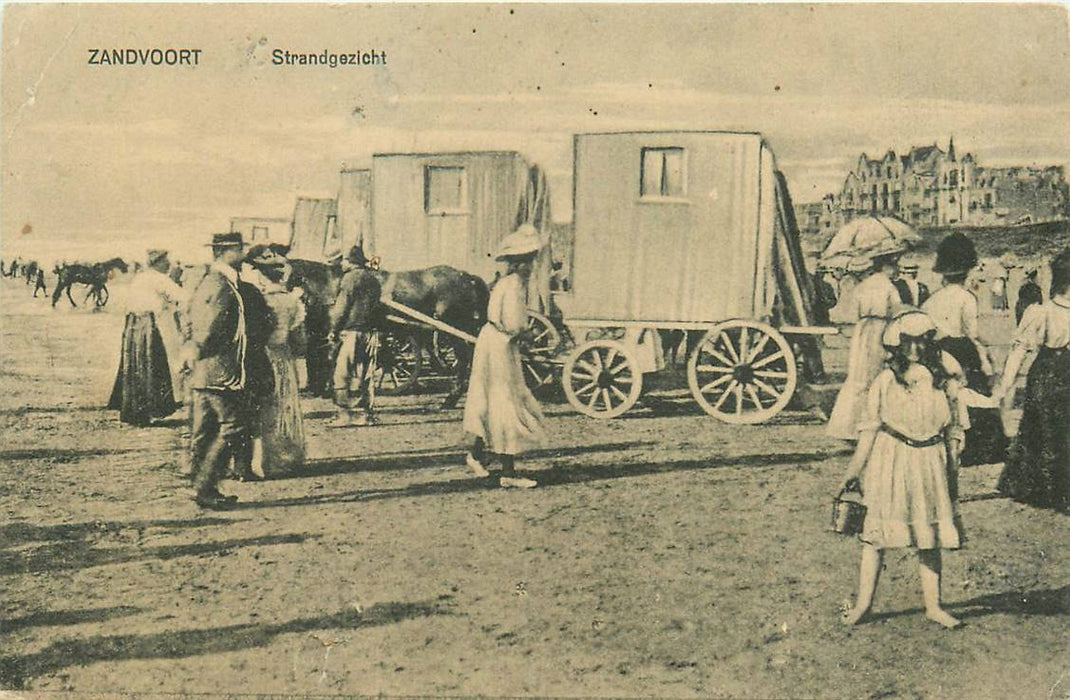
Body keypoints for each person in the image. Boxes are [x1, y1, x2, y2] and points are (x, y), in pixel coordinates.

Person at [839, 310, 968, 629]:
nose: (914, 349)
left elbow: (954, 428)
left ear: (930, 343)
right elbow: (869, 429)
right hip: (891, 459)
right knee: (876, 537)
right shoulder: (884, 381)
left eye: (921, 342)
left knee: (929, 536)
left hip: (930, 462)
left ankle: (934, 607)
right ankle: (863, 605)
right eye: (907, 342)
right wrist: (853, 472)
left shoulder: (943, 380)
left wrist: (952, 466)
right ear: (896, 345)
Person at [463, 225, 547, 489]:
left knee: (486, 398)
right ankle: (508, 472)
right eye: (530, 260)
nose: (532, 266)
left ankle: (476, 455)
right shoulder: (515, 286)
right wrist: (528, 334)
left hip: (492, 342)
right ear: (521, 263)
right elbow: (513, 324)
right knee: (505, 401)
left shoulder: (504, 283)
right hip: (501, 347)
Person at [994, 248, 1070, 512]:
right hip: (1050, 376)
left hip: (1053, 375)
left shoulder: (1045, 310)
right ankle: (1050, 490)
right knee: (1045, 429)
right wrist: (1006, 383)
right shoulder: (1042, 311)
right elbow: (1019, 350)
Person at [922, 233, 1006, 466]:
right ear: (967, 271)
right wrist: (989, 346)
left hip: (938, 349)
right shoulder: (966, 298)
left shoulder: (931, 299)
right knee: (975, 393)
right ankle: (981, 449)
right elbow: (973, 332)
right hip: (961, 348)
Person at [183, 232, 249, 509]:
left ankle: (201, 486)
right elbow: (211, 328)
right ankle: (204, 487)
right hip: (220, 370)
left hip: (203, 370)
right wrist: (201, 348)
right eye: (240, 248)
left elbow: (188, 317)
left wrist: (191, 351)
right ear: (227, 251)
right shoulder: (222, 284)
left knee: (204, 430)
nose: (244, 253)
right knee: (233, 426)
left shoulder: (205, 281)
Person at [826, 252, 904, 440]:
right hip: (881, 331)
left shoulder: (862, 286)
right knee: (877, 376)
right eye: (894, 266)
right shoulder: (888, 287)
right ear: (885, 266)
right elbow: (897, 312)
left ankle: (847, 426)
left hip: (863, 332)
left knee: (858, 377)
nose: (897, 270)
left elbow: (852, 313)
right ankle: (873, 424)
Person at [107, 249, 183, 426]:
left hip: (133, 325)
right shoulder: (159, 278)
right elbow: (181, 296)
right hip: (148, 323)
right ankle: (150, 409)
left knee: (135, 366)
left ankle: (134, 411)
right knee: (150, 364)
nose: (169, 264)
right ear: (158, 262)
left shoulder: (141, 277)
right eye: (167, 261)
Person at [249, 256, 306, 475]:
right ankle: (287, 456)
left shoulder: (261, 300)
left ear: (263, 278)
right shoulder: (293, 302)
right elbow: (300, 339)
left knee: (264, 406)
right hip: (284, 356)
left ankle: (262, 459)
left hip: (263, 356)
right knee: (286, 405)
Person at [329, 245, 383, 427]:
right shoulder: (373, 279)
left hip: (353, 331)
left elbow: (341, 308)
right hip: (372, 332)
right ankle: (366, 415)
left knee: (342, 373)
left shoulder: (349, 279)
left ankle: (344, 415)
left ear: (350, 262)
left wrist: (333, 330)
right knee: (366, 373)